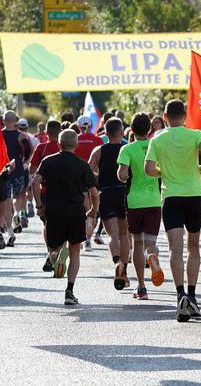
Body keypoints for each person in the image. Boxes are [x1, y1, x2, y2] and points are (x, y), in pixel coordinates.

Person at [145, 99, 201, 322]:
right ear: (184, 115)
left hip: (171, 197)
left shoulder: (157, 139)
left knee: (175, 248)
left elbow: (148, 169)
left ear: (164, 117)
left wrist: (163, 172)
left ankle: (180, 296)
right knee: (193, 246)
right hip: (193, 196)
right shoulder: (195, 135)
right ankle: (192, 296)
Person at [32, 129, 99, 305]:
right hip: (76, 212)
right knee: (75, 251)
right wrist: (93, 210)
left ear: (59, 145)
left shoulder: (48, 161)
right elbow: (94, 192)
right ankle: (69, 291)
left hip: (54, 212)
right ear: (76, 145)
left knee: (54, 247)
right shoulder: (82, 165)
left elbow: (35, 182)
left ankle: (56, 257)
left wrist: (39, 206)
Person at [117, 113, 164, 301]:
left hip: (135, 201)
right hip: (154, 200)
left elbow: (122, 175)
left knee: (137, 243)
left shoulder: (127, 149)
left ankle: (142, 287)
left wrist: (124, 175)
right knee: (150, 242)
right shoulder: (157, 147)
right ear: (150, 130)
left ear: (132, 129)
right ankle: (152, 256)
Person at [89, 118, 130, 287]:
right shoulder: (127, 149)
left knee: (112, 235)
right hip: (125, 194)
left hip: (106, 193)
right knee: (124, 235)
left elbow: (87, 172)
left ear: (105, 133)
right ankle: (124, 270)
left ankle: (116, 263)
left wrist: (98, 178)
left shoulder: (99, 151)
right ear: (122, 133)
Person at [29, 120, 61, 271]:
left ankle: (50, 251)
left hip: (45, 192)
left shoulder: (41, 147)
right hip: (65, 192)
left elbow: (31, 170)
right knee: (62, 224)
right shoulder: (65, 146)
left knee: (47, 224)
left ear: (46, 133)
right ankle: (58, 253)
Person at [75, 115, 104, 246]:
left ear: (78, 127)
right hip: (94, 178)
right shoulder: (98, 140)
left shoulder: (74, 139)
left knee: (80, 209)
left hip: (77, 179)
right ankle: (88, 238)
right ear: (91, 126)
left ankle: (80, 236)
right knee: (93, 209)